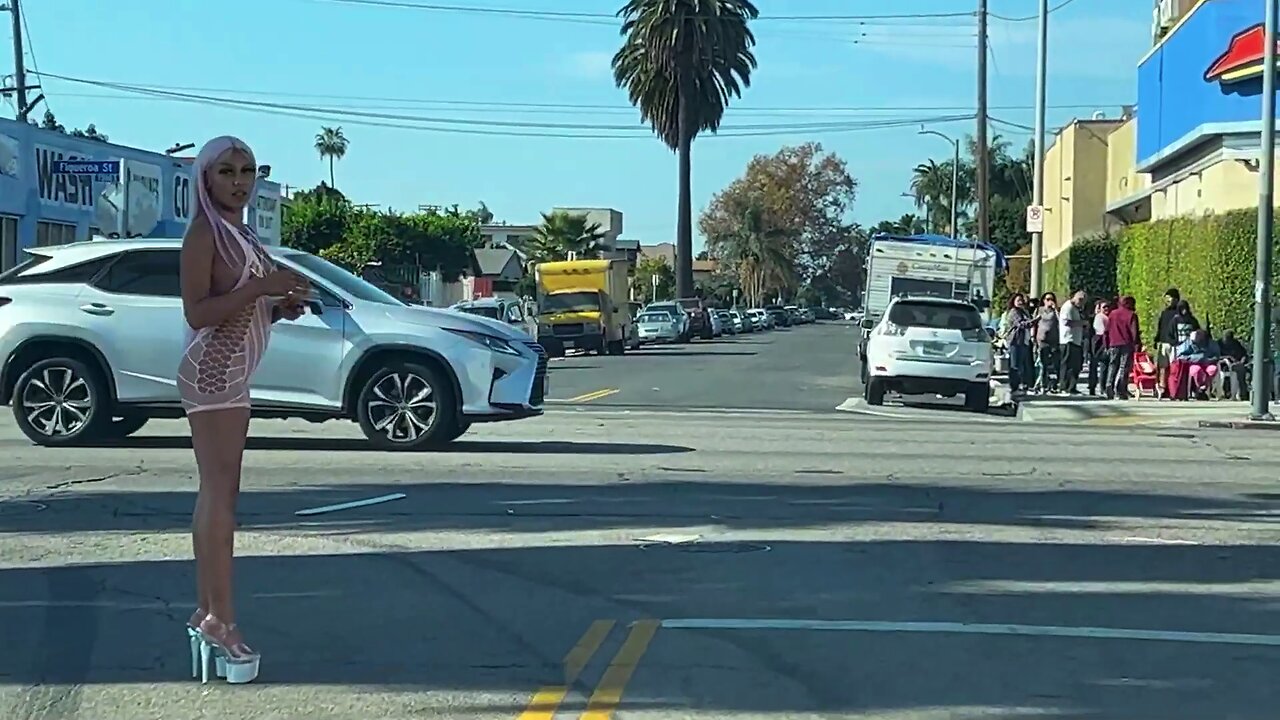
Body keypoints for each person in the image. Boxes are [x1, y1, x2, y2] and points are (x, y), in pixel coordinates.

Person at [177, 136, 309, 684]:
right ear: (205, 177)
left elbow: (245, 312)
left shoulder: (241, 233)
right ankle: (219, 619)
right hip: (211, 373)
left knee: (222, 493)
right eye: (227, 171)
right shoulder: (204, 233)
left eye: (248, 171)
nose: (240, 181)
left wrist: (278, 307)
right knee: (219, 494)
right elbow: (199, 311)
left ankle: (211, 615)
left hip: (232, 372)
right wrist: (262, 286)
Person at [1104, 295, 1141, 400]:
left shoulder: (1113, 314)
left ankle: (1109, 385)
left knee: (1112, 365)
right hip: (1126, 344)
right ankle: (1120, 390)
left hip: (1113, 343)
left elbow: (1106, 331)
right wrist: (1137, 344)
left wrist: (1107, 344)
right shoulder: (1132, 315)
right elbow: (1134, 333)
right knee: (1123, 367)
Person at [999, 293, 1034, 394]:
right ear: (1013, 301)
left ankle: (1021, 385)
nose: (1021, 302)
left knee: (1022, 365)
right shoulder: (1013, 312)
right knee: (1014, 365)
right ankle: (1014, 386)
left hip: (1024, 341)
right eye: (1018, 300)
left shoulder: (1024, 312)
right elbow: (1021, 324)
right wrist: (1035, 320)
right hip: (1015, 341)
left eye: (1022, 300)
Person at [1175, 329, 1220, 399]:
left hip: (1208, 363)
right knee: (1196, 370)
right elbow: (1180, 355)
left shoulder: (1212, 344)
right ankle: (1201, 387)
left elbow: (1217, 356)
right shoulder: (1189, 343)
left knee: (1212, 369)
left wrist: (1209, 360)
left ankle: (1205, 388)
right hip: (1194, 363)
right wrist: (1193, 358)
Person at [1057, 289, 1086, 394]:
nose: (1081, 302)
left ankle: (1072, 387)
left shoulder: (1076, 308)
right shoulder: (1067, 307)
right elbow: (1066, 322)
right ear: (1074, 297)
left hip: (1076, 340)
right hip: (1068, 340)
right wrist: (1081, 323)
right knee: (1066, 365)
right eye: (1080, 299)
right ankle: (1064, 386)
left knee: (1075, 365)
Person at [1154, 288, 1181, 398]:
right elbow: (1160, 328)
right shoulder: (1164, 313)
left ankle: (1172, 388)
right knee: (1163, 367)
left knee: (1173, 367)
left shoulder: (1179, 313)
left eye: (1171, 298)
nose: (1169, 301)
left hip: (1174, 343)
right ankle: (1162, 387)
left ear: (1176, 299)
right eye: (1167, 299)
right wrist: (1156, 339)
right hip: (1164, 342)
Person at [1033, 292, 1059, 393]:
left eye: (1051, 299)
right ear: (1043, 300)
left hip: (1053, 340)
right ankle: (1041, 384)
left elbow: (1061, 320)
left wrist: (1055, 308)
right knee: (1042, 364)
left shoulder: (1056, 311)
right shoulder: (1039, 310)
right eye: (1047, 299)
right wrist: (1033, 337)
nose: (1049, 301)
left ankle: (1053, 384)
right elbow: (1034, 323)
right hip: (1042, 339)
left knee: (1054, 364)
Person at [1087, 298, 1111, 396]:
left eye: (1107, 307)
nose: (1106, 309)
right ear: (1099, 308)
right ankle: (1100, 386)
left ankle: (1096, 386)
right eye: (1104, 307)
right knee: (1101, 364)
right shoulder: (1101, 317)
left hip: (1098, 340)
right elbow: (1102, 331)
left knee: (1099, 365)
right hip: (1099, 340)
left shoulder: (1103, 317)